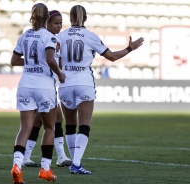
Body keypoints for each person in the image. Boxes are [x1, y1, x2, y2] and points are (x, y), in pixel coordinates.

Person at [57, 5, 144, 174]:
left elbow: (55, 60)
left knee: (70, 125)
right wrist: (130, 48)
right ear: (86, 19)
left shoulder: (61, 35)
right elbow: (111, 57)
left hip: (65, 82)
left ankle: (75, 162)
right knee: (84, 125)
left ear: (71, 18)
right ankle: (76, 164)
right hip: (84, 82)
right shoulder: (91, 36)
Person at [10, 3, 66, 184]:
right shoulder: (49, 37)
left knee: (25, 128)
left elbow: (14, 60)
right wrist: (60, 74)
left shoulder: (24, 36)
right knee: (50, 127)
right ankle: (45, 169)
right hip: (44, 86)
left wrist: (31, 64)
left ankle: (17, 165)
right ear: (47, 19)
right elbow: (50, 59)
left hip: (25, 84)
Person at [23, 10, 72, 168]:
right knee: (47, 120)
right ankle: (58, 157)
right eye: (56, 23)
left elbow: (57, 60)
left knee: (52, 119)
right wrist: (59, 72)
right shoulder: (45, 39)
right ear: (48, 24)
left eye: (60, 23)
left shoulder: (54, 40)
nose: (59, 26)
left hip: (48, 85)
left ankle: (30, 156)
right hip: (41, 85)